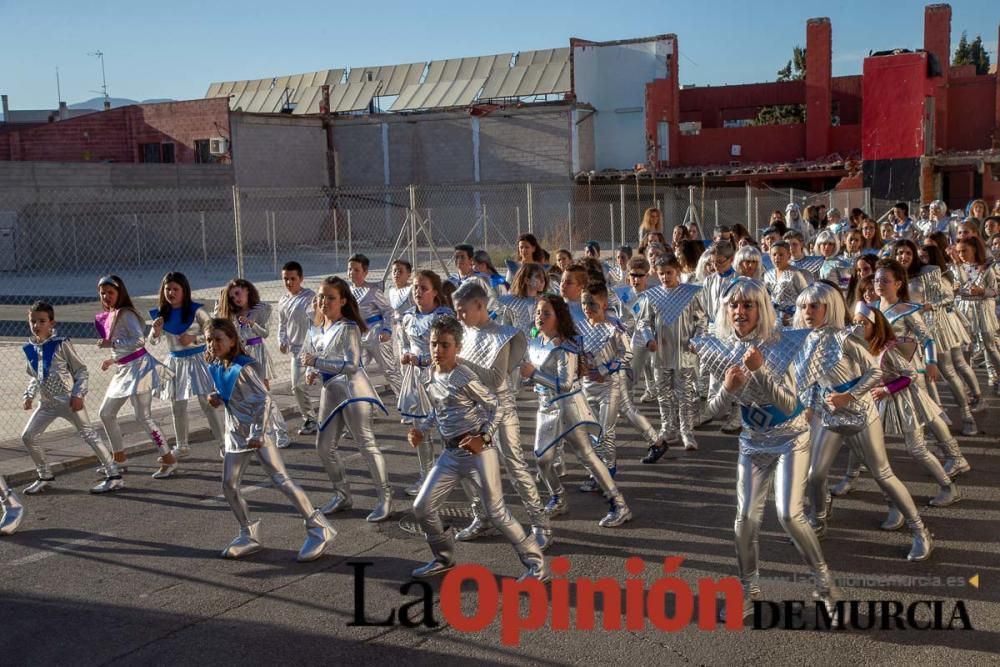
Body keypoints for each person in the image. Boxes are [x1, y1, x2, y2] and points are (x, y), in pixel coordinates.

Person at [693, 277, 838, 622]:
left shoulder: (783, 343)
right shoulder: (721, 347)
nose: (740, 312)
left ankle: (824, 584)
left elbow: (792, 405)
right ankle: (748, 591)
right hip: (752, 440)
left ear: (762, 308)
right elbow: (711, 411)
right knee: (744, 521)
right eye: (734, 305)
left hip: (791, 436)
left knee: (789, 515)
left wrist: (759, 373)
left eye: (748, 305)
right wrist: (728, 389)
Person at [792, 285, 931, 561]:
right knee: (815, 475)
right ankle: (818, 521)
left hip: (861, 414)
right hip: (830, 416)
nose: (808, 312)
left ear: (829, 307)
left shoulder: (846, 338)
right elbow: (809, 381)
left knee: (882, 474)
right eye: (804, 306)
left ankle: (921, 531)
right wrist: (808, 407)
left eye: (815, 306)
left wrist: (849, 395)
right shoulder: (805, 340)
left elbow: (875, 371)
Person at [408, 316, 548, 581]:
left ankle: (537, 566)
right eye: (434, 344)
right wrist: (421, 431)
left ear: (458, 348)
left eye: (445, 345)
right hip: (450, 455)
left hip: (479, 454)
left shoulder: (464, 375)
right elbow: (438, 410)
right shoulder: (431, 373)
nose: (438, 350)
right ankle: (443, 558)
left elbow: (497, 407)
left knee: (497, 513)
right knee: (422, 507)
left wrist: (483, 439)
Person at [206, 318, 337, 561]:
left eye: (218, 339)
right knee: (229, 484)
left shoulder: (243, 367)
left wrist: (257, 432)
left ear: (232, 340)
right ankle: (249, 533)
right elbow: (232, 394)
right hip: (235, 433)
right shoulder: (217, 365)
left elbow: (264, 400)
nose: (213, 344)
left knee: (282, 480)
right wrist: (217, 397)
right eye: (209, 340)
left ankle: (319, 527)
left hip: (258, 431)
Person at [451, 282, 552, 550]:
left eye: (462, 311)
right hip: (471, 409)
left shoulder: (503, 334)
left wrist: (458, 361)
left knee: (515, 465)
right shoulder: (463, 333)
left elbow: (496, 378)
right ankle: (480, 516)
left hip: (501, 409)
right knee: (468, 465)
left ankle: (540, 524)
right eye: (456, 311)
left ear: (480, 306)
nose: (459, 317)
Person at [520, 295, 631, 528]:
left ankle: (619, 505)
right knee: (542, 460)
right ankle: (558, 498)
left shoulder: (567, 346)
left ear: (559, 318)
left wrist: (533, 375)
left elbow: (566, 383)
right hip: (547, 407)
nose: (540, 317)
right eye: (538, 312)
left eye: (546, 313)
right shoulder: (535, 340)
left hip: (568, 405)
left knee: (587, 456)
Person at [871, 260, 968, 492]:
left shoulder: (907, 310)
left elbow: (927, 339)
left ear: (898, 283)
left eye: (885, 280)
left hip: (910, 372)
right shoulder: (873, 308)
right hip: (883, 373)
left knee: (928, 412)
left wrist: (932, 362)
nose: (879, 284)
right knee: (927, 413)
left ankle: (954, 457)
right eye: (876, 280)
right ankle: (952, 456)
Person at [302, 277, 392, 523]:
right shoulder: (316, 327)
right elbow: (317, 356)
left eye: (330, 297)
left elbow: (352, 365)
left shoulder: (349, 326)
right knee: (323, 447)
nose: (324, 301)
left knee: (366, 444)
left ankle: (385, 499)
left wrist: (316, 363)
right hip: (331, 390)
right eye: (321, 296)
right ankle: (342, 494)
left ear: (342, 300)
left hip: (354, 391)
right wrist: (311, 371)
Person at [20, 301, 123, 494]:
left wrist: (78, 394)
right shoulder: (30, 348)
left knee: (89, 434)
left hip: (68, 401)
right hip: (47, 404)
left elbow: (81, 371)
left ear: (51, 323)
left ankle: (114, 475)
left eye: (41, 321)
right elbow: (36, 376)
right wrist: (29, 395)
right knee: (28, 436)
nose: (36, 325)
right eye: (32, 321)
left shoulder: (61, 343)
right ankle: (44, 475)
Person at [893, 240, 978, 434]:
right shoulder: (892, 276)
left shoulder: (928, 272)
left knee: (947, 371)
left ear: (914, 255)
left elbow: (948, 296)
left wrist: (931, 305)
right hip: (907, 333)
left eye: (908, 252)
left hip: (932, 328)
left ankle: (967, 415)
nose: (903, 257)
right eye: (899, 253)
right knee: (923, 376)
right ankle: (936, 417)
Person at [95, 275, 174, 478]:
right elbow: (125, 345)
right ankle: (119, 458)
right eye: (102, 292)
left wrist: (111, 345)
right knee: (106, 413)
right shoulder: (112, 314)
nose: (106, 296)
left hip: (140, 369)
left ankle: (168, 459)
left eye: (110, 292)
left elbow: (138, 341)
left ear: (120, 293)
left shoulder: (126, 314)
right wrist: (112, 359)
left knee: (143, 416)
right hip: (124, 370)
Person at [150, 271, 225, 459]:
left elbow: (214, 333)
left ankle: (225, 443)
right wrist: (155, 331)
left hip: (199, 360)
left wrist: (194, 339)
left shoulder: (197, 311)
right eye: (168, 289)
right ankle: (182, 446)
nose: (171, 293)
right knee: (177, 406)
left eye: (176, 289)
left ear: (184, 290)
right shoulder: (161, 314)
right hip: (175, 362)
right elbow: (153, 342)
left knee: (207, 403)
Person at [636, 255, 705, 456]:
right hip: (661, 352)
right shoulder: (652, 295)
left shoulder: (690, 294)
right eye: (661, 273)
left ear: (677, 271)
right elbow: (644, 322)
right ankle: (668, 427)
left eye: (669, 272)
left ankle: (687, 431)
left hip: (684, 351)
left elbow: (701, 321)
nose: (665, 277)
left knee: (685, 393)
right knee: (663, 391)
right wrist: (649, 339)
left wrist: (696, 340)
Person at [215, 278, 291, 448]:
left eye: (238, 293)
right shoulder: (232, 314)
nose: (236, 299)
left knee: (264, 394)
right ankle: (261, 431)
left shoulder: (260, 309)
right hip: (241, 356)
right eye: (232, 297)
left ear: (247, 290)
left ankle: (280, 431)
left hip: (257, 353)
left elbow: (264, 333)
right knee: (248, 397)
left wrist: (251, 323)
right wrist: (221, 305)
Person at [398, 270, 455, 495]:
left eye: (423, 288)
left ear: (434, 292)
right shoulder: (408, 316)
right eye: (415, 288)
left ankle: (449, 475)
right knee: (420, 430)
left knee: (445, 429)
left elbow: (450, 349)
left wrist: (421, 359)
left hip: (440, 377)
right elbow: (403, 341)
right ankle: (426, 478)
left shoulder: (444, 316)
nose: (418, 292)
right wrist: (405, 354)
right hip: (415, 380)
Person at [347, 254, 400, 397]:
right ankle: (369, 406)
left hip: (376, 334)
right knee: (356, 372)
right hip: (358, 336)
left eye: (356, 270)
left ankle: (409, 407)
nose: (352, 273)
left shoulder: (373, 291)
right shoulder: (346, 292)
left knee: (389, 371)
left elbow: (388, 311)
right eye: (350, 269)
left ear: (365, 272)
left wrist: (387, 329)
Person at [954, 236, 1000, 395]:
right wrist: (954, 290)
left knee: (990, 345)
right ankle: (968, 386)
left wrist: (982, 291)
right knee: (966, 348)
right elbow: (954, 291)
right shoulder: (957, 268)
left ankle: (999, 378)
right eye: (958, 251)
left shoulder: (986, 268)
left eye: (964, 251)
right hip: (964, 308)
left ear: (974, 249)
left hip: (983, 308)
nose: (961, 254)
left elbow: (995, 291)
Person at [278, 261, 319, 436]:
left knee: (331, 384)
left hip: (314, 350)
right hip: (296, 352)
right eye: (285, 279)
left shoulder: (310, 297)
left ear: (301, 278)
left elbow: (316, 323)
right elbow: (282, 323)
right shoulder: (283, 300)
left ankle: (345, 417)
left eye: (292, 278)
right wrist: (282, 340)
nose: (289, 282)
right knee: (297, 386)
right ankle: (310, 419)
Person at [764, 241, 811, 326]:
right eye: (774, 255)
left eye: (781, 255)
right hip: (775, 319)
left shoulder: (795, 273)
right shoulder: (767, 275)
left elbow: (806, 296)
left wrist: (793, 313)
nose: (777, 258)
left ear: (789, 256)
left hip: (794, 317)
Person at [498, 263, 547, 336]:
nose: (543, 280)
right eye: (538, 277)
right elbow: (504, 328)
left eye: (544, 277)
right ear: (527, 280)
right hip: (517, 344)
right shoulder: (510, 301)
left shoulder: (546, 302)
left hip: (538, 345)